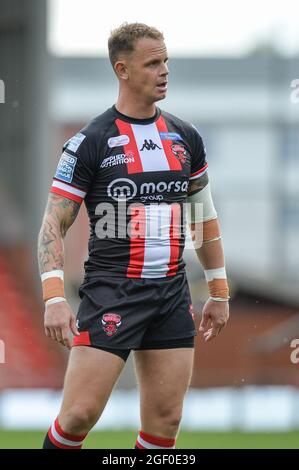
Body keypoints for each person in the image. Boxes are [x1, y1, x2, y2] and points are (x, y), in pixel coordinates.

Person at [38, 22, 230, 450]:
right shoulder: (90, 142)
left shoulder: (186, 137)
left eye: (166, 61)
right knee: (77, 416)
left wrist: (218, 289)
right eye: (153, 63)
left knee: (166, 421)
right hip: (113, 293)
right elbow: (53, 224)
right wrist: (54, 298)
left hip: (171, 294)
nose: (164, 71)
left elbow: (203, 218)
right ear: (122, 70)